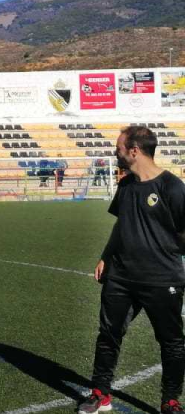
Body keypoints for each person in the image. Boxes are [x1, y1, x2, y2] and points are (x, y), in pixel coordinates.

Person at [79, 125, 185, 414]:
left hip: (162, 279)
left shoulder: (172, 187)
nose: (116, 153)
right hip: (121, 277)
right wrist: (106, 256)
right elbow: (121, 224)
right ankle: (100, 393)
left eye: (119, 149)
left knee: (171, 342)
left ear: (134, 151)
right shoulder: (125, 185)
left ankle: (170, 400)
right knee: (108, 335)